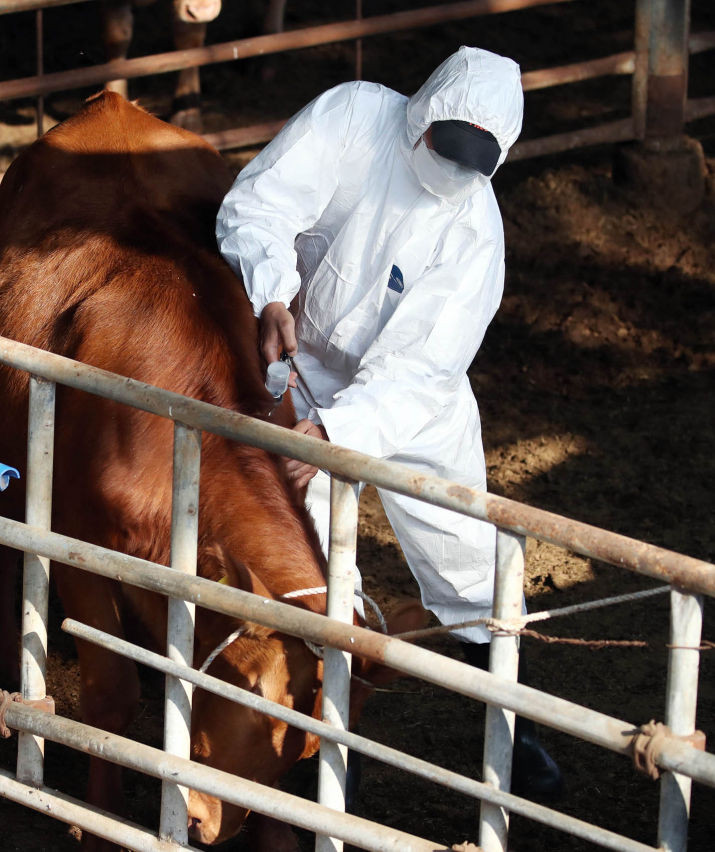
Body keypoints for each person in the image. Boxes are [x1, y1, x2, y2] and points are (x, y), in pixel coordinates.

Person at [216, 46, 563, 800]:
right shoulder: (354, 117)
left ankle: (515, 726)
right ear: (421, 113)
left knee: (469, 555)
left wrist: (342, 435)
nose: (452, 165)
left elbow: (418, 366)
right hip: (299, 354)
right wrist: (271, 292)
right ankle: (304, 720)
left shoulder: (476, 237)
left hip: (410, 401)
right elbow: (261, 202)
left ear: (497, 159)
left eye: (476, 158)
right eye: (445, 144)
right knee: (295, 555)